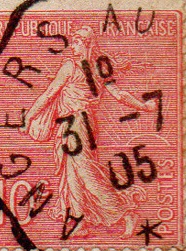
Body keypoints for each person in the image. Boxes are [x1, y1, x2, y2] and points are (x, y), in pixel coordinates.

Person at [24, 26, 159, 239]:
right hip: (80, 124)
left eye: (77, 41)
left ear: (86, 44)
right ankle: (79, 222)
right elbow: (120, 94)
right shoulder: (100, 67)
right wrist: (145, 107)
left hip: (76, 125)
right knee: (73, 174)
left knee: (86, 172)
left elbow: (50, 93)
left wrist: (30, 115)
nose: (73, 46)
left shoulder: (71, 66)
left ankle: (125, 213)